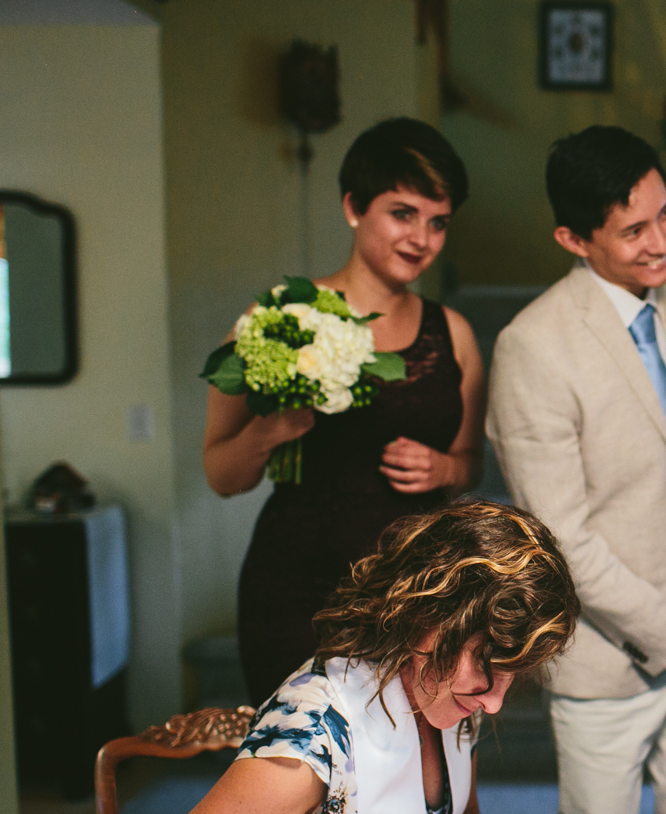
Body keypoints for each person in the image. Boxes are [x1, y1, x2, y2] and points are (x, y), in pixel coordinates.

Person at [125, 500, 580, 814]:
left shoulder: (444, 691)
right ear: (426, 618)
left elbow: (461, 809)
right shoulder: (310, 736)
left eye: (511, 673)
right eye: (486, 663)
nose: (495, 702)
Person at [486, 126, 666, 814]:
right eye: (634, 230)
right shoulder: (534, 346)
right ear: (573, 238)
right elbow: (562, 539)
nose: (662, 240)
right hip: (601, 658)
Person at [202, 117, 487, 703]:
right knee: (299, 768)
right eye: (402, 213)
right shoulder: (279, 320)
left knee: (416, 765)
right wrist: (269, 431)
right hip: (298, 586)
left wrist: (446, 469)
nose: (422, 239)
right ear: (354, 206)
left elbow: (470, 461)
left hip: (420, 585)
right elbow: (220, 473)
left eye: (438, 223)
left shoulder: (452, 333)